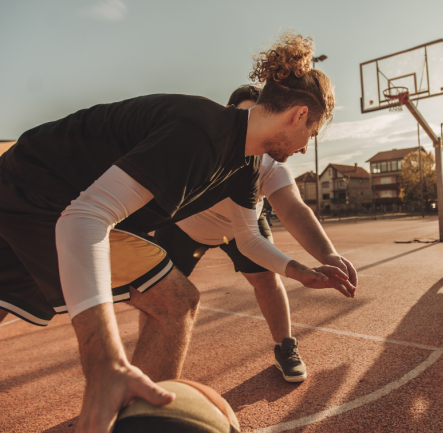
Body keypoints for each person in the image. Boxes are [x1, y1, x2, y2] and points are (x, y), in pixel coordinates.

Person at [0, 32, 351, 433]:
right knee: (176, 303)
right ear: (300, 115)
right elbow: (83, 219)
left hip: (28, 192)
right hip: (39, 198)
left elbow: (249, 239)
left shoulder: (246, 164)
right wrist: (105, 365)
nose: (307, 147)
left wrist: (300, 271)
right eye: (313, 133)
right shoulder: (199, 134)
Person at [154, 85, 357, 383]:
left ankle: (286, 347)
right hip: (183, 225)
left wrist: (327, 254)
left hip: (241, 227)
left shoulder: (268, 163)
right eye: (245, 115)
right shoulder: (206, 145)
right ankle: (152, 368)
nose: (252, 124)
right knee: (161, 294)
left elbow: (292, 210)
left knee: (266, 279)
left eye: (257, 115)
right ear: (230, 117)